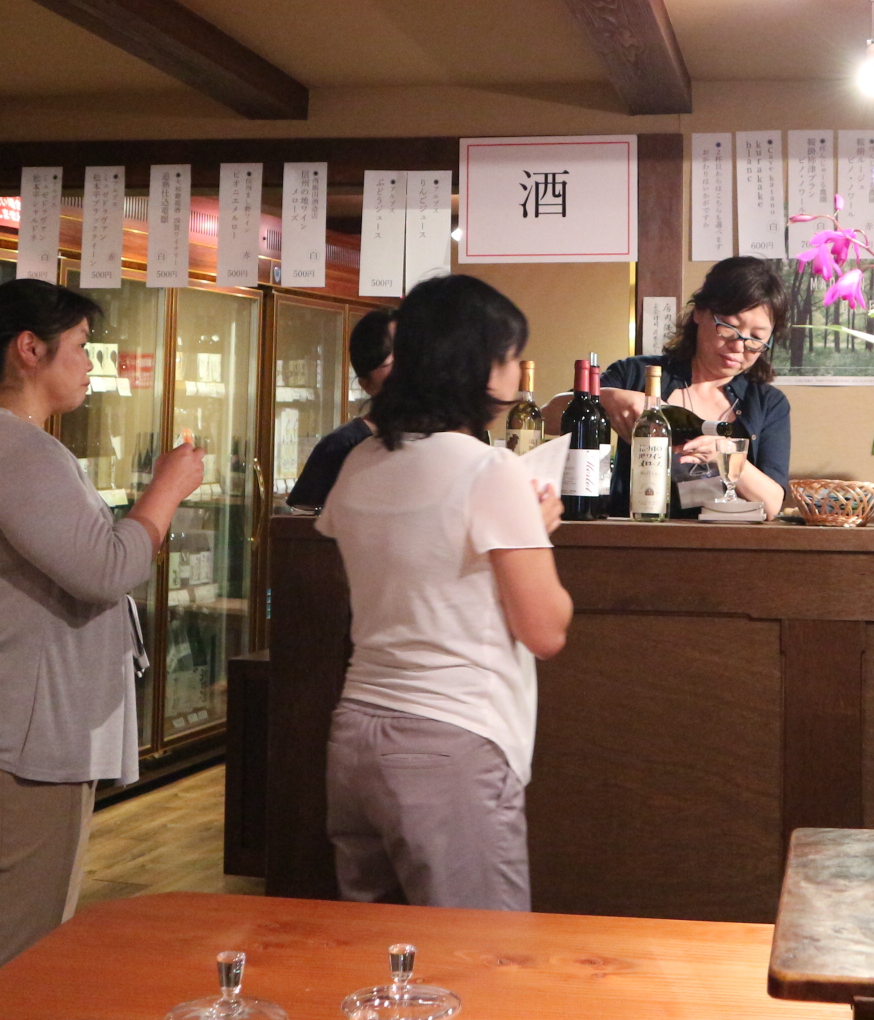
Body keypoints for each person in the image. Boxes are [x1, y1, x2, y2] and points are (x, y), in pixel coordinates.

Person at [0, 279, 205, 1014]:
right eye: (79, 346)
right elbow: (105, 568)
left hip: (6, 728)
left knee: (18, 956)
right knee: (3, 965)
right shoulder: (15, 450)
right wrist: (167, 490)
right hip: (8, 738)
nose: (88, 363)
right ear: (30, 350)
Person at [317, 274, 571, 910]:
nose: (516, 373)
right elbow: (545, 630)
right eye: (511, 356)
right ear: (479, 364)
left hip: (356, 734)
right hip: (450, 739)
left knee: (375, 950)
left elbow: (413, 570)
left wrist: (519, 532)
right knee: (479, 953)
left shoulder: (360, 461)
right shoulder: (489, 468)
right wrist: (532, 535)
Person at [578, 255, 793, 518]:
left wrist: (723, 454)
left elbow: (771, 504)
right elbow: (551, 414)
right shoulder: (638, 374)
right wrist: (608, 397)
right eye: (729, 327)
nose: (739, 346)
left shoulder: (768, 403)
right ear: (699, 313)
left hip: (728, 541)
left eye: (757, 338)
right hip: (633, 534)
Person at [286, 307, 395, 511]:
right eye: (390, 361)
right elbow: (301, 519)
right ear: (366, 384)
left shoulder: (438, 438)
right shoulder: (341, 445)